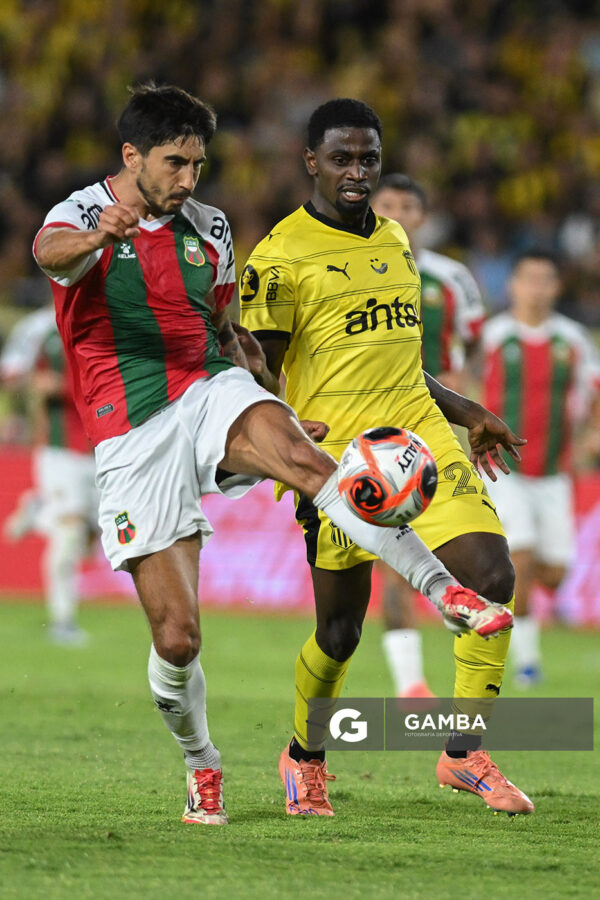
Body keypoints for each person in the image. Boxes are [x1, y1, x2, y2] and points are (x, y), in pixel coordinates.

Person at [33, 83, 510, 827]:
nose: (189, 179)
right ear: (131, 157)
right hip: (131, 428)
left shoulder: (211, 227)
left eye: (197, 163)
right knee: (178, 638)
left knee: (314, 466)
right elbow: (49, 254)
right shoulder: (83, 213)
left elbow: (226, 331)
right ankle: (202, 763)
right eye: (174, 164)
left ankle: (442, 593)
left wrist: (267, 389)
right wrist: (102, 236)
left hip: (208, 386)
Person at [241, 98, 533, 818]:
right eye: (341, 157)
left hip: (420, 438)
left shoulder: (397, 240)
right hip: (339, 462)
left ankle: (462, 754)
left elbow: (403, 361)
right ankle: (305, 756)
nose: (356, 171)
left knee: (494, 576)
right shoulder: (280, 255)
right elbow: (251, 368)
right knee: (340, 634)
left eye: (368, 157)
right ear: (311, 161)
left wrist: (469, 413)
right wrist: (283, 435)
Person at [370, 174, 485, 700]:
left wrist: (472, 415)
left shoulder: (452, 278)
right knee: (393, 558)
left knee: (471, 553)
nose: (396, 212)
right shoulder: (354, 267)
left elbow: (471, 352)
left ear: (422, 215)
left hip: (442, 426)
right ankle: (410, 686)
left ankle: (458, 618)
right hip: (380, 431)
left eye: (407, 206)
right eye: (386, 204)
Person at [482, 249, 600, 686]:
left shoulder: (572, 339)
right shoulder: (494, 336)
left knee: (554, 573)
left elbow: (595, 389)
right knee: (523, 559)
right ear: (512, 285)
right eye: (528, 279)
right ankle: (528, 663)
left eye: (545, 279)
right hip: (503, 469)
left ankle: (488, 599)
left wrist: (593, 432)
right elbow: (463, 382)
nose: (537, 288)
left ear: (557, 286)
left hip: (554, 473)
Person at [1, 304, 98, 645]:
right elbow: (13, 373)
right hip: (59, 449)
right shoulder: (43, 329)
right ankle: (64, 622)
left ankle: (39, 508)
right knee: (69, 535)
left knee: (92, 541)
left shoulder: (112, 316)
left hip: (101, 451)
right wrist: (34, 383)